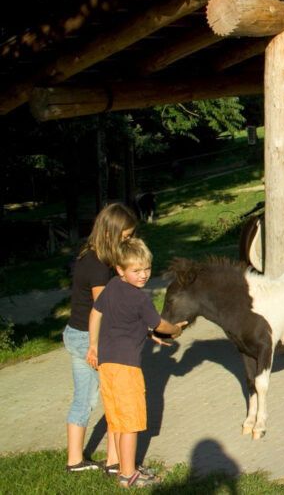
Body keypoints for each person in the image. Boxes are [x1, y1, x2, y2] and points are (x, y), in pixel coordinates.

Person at [86, 238, 186, 488]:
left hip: (107, 364)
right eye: (136, 271)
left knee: (118, 419)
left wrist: (93, 344)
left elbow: (97, 313)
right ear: (121, 270)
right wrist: (174, 330)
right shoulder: (141, 299)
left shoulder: (112, 285)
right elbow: (160, 324)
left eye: (146, 269)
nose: (143, 275)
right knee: (131, 421)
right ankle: (128, 474)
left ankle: (121, 465)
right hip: (126, 367)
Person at [63, 203, 137, 473]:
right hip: (89, 338)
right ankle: (115, 462)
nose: (127, 241)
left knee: (84, 398)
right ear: (111, 232)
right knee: (113, 399)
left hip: (75, 333)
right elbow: (102, 308)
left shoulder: (88, 255)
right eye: (125, 236)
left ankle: (75, 461)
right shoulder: (98, 266)